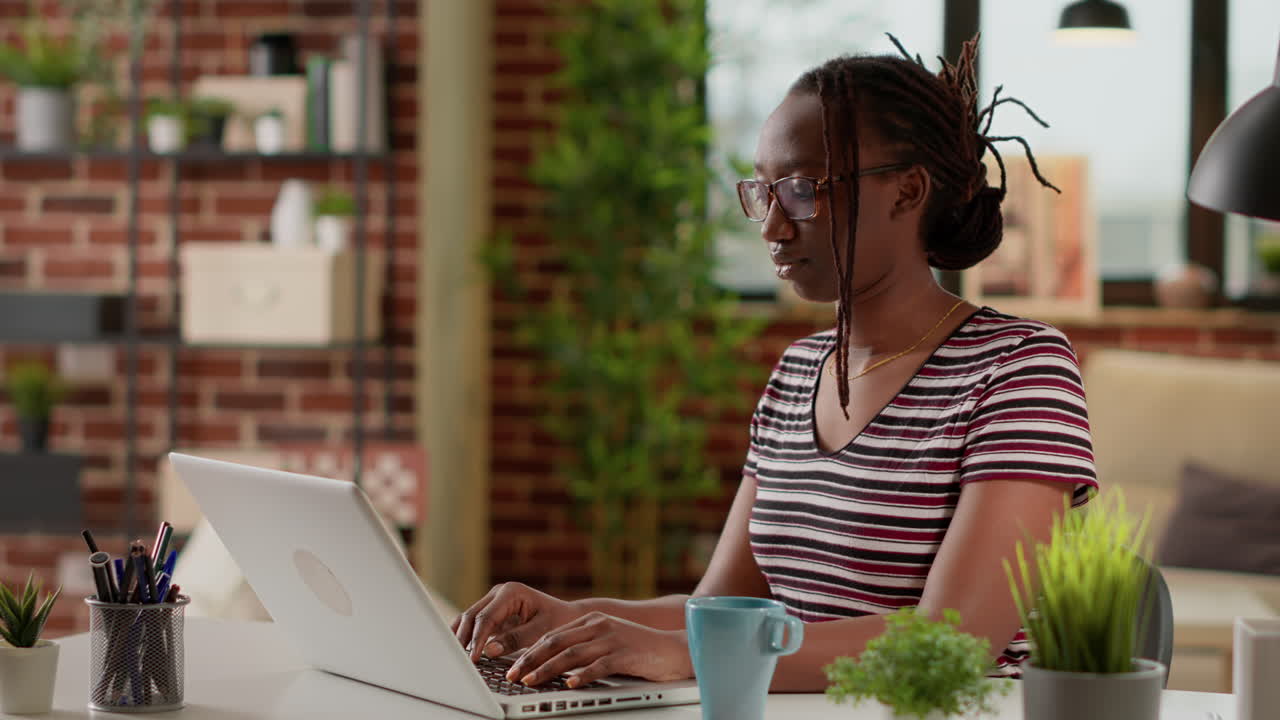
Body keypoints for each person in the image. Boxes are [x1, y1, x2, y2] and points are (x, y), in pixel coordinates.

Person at [453, 34, 1097, 693]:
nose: (772, 225)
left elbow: (952, 643)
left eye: (800, 189)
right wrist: (576, 618)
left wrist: (691, 655)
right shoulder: (799, 371)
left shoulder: (1018, 370)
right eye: (762, 192)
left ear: (907, 192)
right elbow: (719, 611)